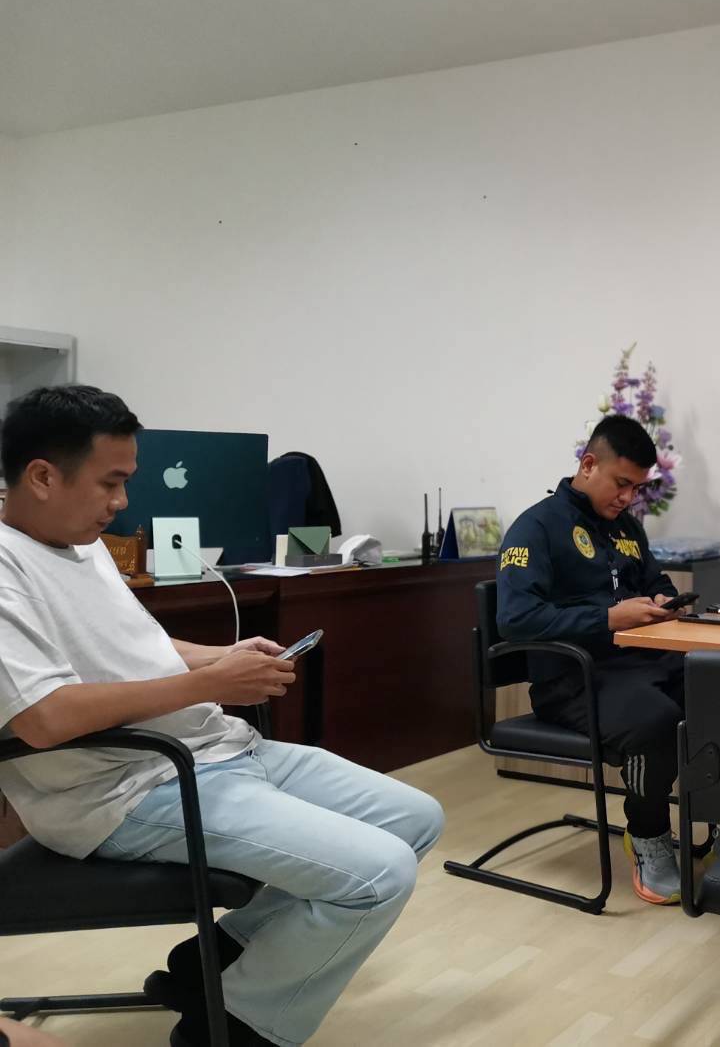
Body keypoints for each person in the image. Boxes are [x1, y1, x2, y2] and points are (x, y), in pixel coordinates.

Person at [0, 386, 444, 1047]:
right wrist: (207, 683)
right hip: (124, 789)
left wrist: (221, 657)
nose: (122, 502)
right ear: (42, 477)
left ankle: (214, 963)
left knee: (416, 819)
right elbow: (44, 718)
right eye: (111, 483)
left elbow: (139, 648)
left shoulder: (82, 541)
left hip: (213, 749)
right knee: (380, 875)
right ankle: (231, 1028)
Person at [498, 414, 694, 906]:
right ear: (588, 465)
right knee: (655, 720)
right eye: (621, 483)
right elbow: (515, 619)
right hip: (573, 679)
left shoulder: (626, 528)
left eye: (637, 489)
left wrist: (662, 602)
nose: (628, 498)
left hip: (639, 665)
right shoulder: (536, 527)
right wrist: (607, 618)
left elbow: (656, 582)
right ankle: (647, 835)